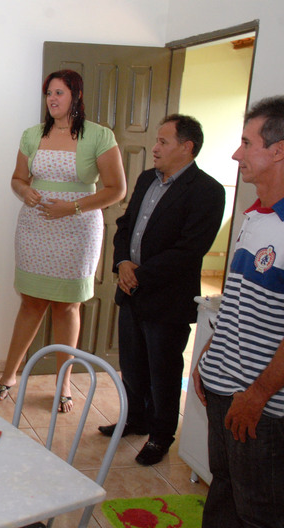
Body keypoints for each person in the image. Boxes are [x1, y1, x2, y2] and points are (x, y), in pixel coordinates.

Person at [0, 70, 127, 411]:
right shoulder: (32, 135)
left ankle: (63, 383)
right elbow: (18, 178)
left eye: (59, 93)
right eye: (49, 93)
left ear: (76, 95)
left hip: (77, 230)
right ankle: (9, 375)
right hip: (35, 228)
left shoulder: (100, 136)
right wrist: (25, 191)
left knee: (67, 306)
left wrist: (73, 207)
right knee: (31, 302)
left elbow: (116, 189)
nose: (52, 99)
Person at [98, 114, 225, 466]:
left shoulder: (207, 191)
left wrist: (140, 275)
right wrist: (123, 263)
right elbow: (125, 226)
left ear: (187, 147)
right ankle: (135, 419)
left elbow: (190, 249)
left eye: (163, 142)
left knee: (163, 373)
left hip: (168, 299)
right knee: (132, 366)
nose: (154, 148)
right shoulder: (146, 179)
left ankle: (160, 435)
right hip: (131, 292)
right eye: (156, 140)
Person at [193, 96, 284, 528]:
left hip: (260, 404)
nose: (235, 154)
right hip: (224, 386)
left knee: (259, 514)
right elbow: (238, 303)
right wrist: (211, 354)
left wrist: (258, 393)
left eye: (247, 143)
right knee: (224, 493)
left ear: (278, 150)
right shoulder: (255, 216)